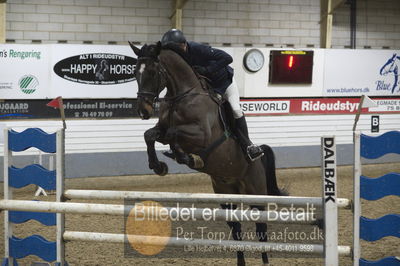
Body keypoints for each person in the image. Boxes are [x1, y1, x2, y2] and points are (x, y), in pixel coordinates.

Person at [160, 29, 264, 162]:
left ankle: (249, 146)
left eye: (174, 50)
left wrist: (207, 70)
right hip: (209, 87)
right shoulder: (180, 58)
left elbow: (227, 58)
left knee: (236, 110)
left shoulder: (198, 49)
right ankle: (177, 146)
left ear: (182, 45)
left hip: (225, 84)